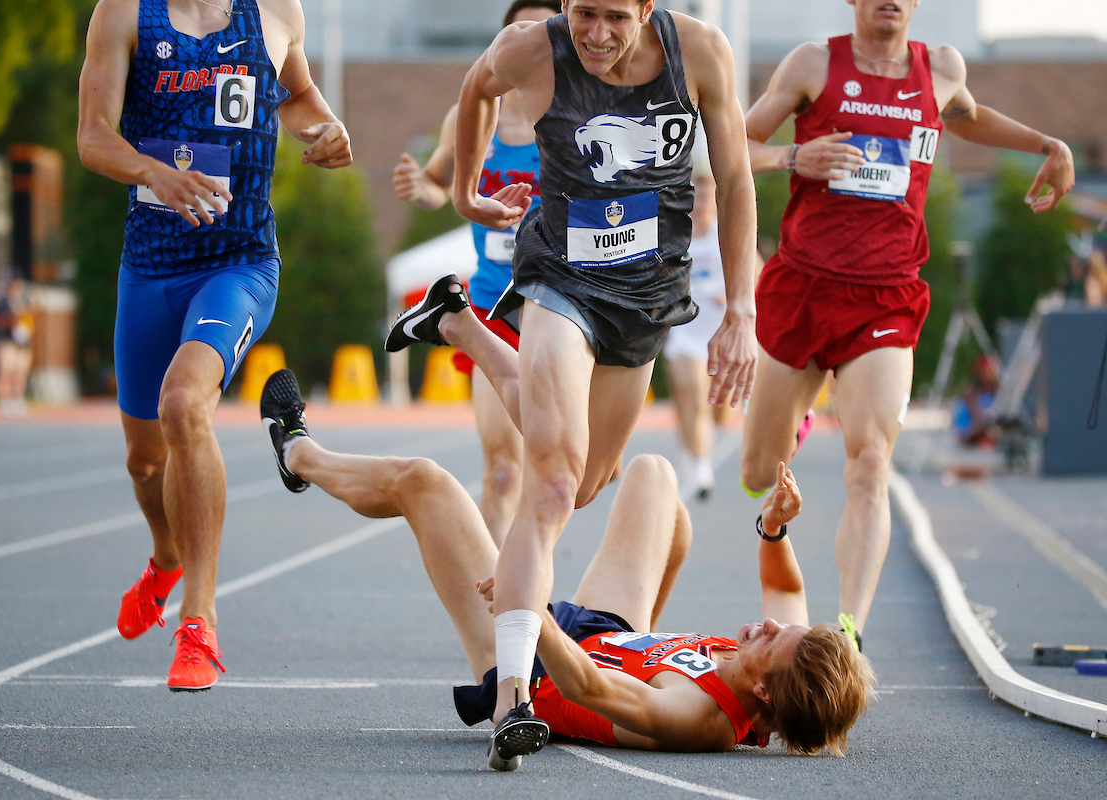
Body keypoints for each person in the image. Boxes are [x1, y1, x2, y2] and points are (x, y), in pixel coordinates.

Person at [384, 1, 759, 764]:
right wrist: (464, 196)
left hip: (648, 297)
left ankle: (456, 324)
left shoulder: (704, 54)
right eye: (583, 13)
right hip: (559, 278)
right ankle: (513, 698)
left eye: (615, 17)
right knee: (550, 485)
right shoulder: (530, 48)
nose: (596, 33)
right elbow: (474, 88)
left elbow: (740, 178)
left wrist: (743, 309)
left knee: (587, 480)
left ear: (647, 9)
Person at [259, 368, 874, 770]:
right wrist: (774, 526)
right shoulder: (776, 662)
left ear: (763, 692)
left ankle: (299, 454)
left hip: (541, 668)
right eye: (779, 627)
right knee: (655, 477)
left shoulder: (699, 718)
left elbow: (590, 688)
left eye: (771, 639)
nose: (765, 625)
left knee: (424, 482)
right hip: (611, 635)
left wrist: (528, 609)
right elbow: (786, 587)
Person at [739, 0, 1075, 651]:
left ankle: (847, 634)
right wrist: (791, 157)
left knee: (870, 462)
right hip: (804, 287)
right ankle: (799, 417)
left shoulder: (941, 68)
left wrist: (1048, 143)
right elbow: (731, 146)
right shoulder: (813, 63)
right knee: (758, 470)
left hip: (886, 297)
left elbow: (970, 117)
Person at [77, 0, 351, 691]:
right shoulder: (125, 14)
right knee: (145, 462)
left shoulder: (276, 12)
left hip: (240, 263)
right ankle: (166, 555)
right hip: (150, 268)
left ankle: (198, 622)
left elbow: (297, 97)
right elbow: (91, 137)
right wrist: (152, 172)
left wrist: (326, 130)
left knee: (184, 405)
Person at [391, 0, 561, 545]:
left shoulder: (575, 113)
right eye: (518, 32)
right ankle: (489, 594)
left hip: (562, 306)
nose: (528, 43)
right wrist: (426, 189)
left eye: (542, 32)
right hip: (492, 305)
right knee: (505, 468)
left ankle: (528, 588)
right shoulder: (473, 112)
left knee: (560, 470)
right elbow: (442, 180)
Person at [661, 171, 730, 500]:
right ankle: (700, 465)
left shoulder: (726, 237)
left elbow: (757, 281)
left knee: (715, 411)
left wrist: (731, 297)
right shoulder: (677, 239)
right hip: (685, 333)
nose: (701, 203)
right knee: (691, 396)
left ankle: (694, 451)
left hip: (718, 336)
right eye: (696, 196)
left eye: (707, 196)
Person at [0, 274, 34, 417]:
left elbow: (30, 320)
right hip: (6, 342)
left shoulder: (24, 301)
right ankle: (4, 401)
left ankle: (17, 400)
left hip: (21, 343)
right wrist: (14, 318)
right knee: (4, 373)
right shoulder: (1, 302)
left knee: (19, 374)